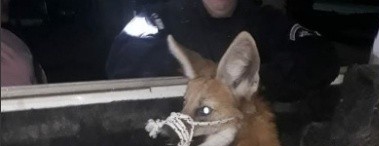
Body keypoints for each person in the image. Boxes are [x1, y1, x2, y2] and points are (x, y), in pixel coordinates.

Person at [106, 0, 340, 103]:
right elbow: (122, 62)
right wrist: (198, 71)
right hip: (177, 140)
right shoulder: (155, 18)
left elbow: (322, 57)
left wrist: (255, 82)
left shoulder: (265, 20)